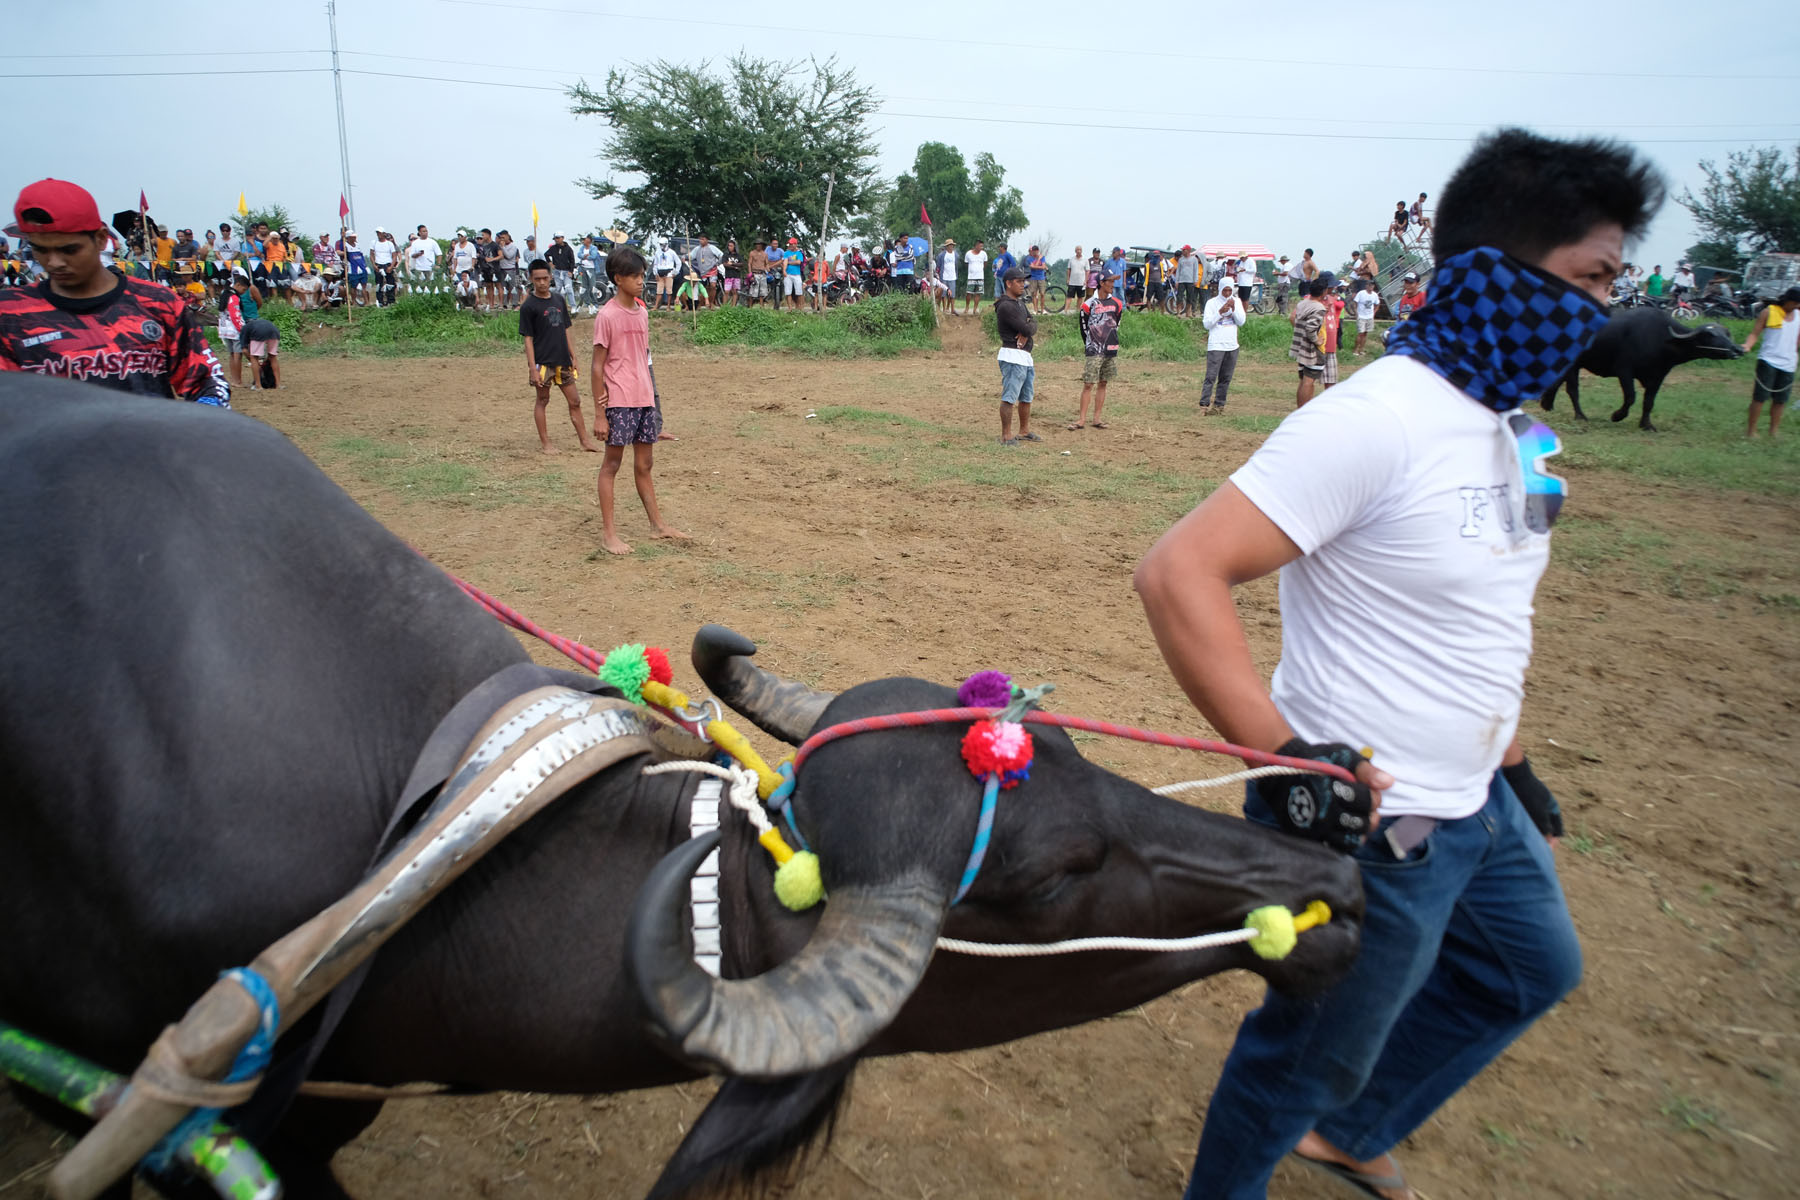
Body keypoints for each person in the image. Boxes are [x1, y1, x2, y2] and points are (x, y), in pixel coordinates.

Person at [1137, 126, 1661, 1200]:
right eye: (1592, 278)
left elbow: (1488, 606)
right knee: (1308, 1051)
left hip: (1480, 801)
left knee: (1529, 971)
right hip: (1375, 819)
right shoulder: (1372, 421)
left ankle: (1354, 1129)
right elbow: (1178, 573)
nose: (1605, 311)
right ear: (1493, 273)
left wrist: (1508, 752)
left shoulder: (1518, 427)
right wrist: (1291, 760)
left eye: (1618, 279)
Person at [0, 180, 230, 405]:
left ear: (101, 239)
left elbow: (206, 379)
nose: (54, 262)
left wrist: (207, 416)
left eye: (69, 249)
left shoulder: (157, 303)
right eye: (40, 249)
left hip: (149, 441)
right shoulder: (10, 314)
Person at [589, 244, 688, 555]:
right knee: (612, 465)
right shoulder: (607, 315)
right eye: (635, 277)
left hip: (643, 399)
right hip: (619, 400)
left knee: (645, 464)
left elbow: (645, 360)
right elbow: (597, 365)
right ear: (618, 278)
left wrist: (654, 409)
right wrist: (599, 413)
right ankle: (608, 534)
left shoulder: (643, 312)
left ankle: (657, 525)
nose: (640, 282)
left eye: (643, 276)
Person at [520, 258, 600, 454]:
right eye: (537, 279)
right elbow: (528, 339)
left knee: (575, 401)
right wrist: (532, 368)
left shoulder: (558, 300)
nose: (541, 282)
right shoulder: (528, 306)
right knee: (542, 400)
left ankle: (585, 441)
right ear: (531, 278)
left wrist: (574, 356)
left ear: (550, 277)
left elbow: (566, 329)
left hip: (563, 360)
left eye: (545, 278)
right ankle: (546, 444)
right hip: (543, 362)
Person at [1741, 285, 1800, 438]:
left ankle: (1773, 431)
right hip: (1768, 360)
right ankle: (1751, 431)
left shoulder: (1799, 316)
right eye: (1796, 303)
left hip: (1789, 363)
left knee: (1781, 400)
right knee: (1760, 398)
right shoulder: (1768, 312)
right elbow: (1755, 333)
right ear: (1788, 300)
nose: (1797, 306)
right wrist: (1747, 345)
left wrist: (1793, 353)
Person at [1071, 268, 1122, 430]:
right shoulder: (1088, 305)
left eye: (1114, 281)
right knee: (1088, 384)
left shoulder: (1117, 303)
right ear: (1101, 283)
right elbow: (1083, 328)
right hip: (1094, 350)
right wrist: (1091, 345)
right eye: (1110, 281)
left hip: (1110, 349)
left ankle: (1097, 418)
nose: (1113, 284)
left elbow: (1117, 324)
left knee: (1103, 382)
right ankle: (1081, 419)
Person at [993, 267, 1038, 445]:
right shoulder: (1005, 306)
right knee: (1010, 397)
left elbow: (1031, 323)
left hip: (1024, 357)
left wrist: (1027, 330)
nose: (1023, 284)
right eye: (1019, 281)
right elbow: (1028, 326)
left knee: (1026, 396)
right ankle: (1006, 435)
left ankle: (1024, 430)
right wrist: (1027, 329)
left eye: (1023, 281)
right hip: (1012, 356)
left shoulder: (1018, 303)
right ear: (1008, 283)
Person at [1199, 280, 1247, 413]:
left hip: (1232, 345)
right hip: (1216, 345)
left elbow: (1241, 322)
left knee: (1226, 377)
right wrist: (1220, 312)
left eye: (1229, 290)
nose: (1227, 293)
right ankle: (1204, 404)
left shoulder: (1236, 301)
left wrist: (1234, 309)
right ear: (1220, 289)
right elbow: (1207, 324)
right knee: (1211, 376)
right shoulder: (1212, 303)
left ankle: (1219, 405)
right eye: (1224, 290)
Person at [1290, 277, 1328, 407]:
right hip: (1312, 350)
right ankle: (1303, 410)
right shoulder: (1319, 308)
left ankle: (1301, 408)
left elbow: (1294, 319)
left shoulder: (1302, 303)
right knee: (1308, 381)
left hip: (1301, 347)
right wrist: (1317, 341)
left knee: (1303, 380)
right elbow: (1311, 328)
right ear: (1323, 292)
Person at [217, 271, 254, 385]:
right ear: (238, 285)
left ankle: (234, 379)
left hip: (224, 329)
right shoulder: (233, 297)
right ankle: (237, 380)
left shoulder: (224, 293)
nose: (243, 293)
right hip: (234, 329)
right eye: (243, 290)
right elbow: (235, 315)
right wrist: (242, 330)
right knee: (237, 355)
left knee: (232, 354)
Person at [242, 313, 281, 390]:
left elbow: (244, 350)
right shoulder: (253, 324)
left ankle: (258, 385)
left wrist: (252, 360)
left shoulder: (243, 331)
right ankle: (278, 385)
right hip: (274, 331)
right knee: (273, 357)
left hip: (258, 332)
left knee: (254, 357)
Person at [1321, 282, 1345, 388]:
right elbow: (1340, 304)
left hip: (1331, 341)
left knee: (1331, 379)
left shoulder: (1331, 300)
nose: (1334, 289)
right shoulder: (1317, 300)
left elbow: (1341, 305)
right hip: (1321, 343)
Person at [547, 232, 578, 308]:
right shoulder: (553, 248)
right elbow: (546, 254)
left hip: (566, 272)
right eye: (555, 238)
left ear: (562, 238)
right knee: (558, 289)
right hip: (557, 272)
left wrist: (571, 271)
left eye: (558, 238)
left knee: (568, 289)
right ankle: (560, 306)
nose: (556, 240)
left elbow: (572, 261)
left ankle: (573, 306)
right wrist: (550, 263)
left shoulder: (568, 249)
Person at [370, 227, 400, 305]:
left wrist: (391, 266)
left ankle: (391, 300)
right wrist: (374, 265)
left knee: (390, 283)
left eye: (380, 233)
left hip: (387, 264)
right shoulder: (374, 242)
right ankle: (380, 301)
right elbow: (371, 254)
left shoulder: (389, 244)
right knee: (379, 284)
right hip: (378, 264)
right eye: (377, 233)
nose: (378, 235)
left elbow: (394, 256)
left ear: (383, 233)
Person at [577, 235, 606, 312]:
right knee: (584, 286)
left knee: (592, 287)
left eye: (585, 239)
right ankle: (587, 303)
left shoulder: (593, 248)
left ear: (589, 240)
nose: (583, 241)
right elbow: (578, 255)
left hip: (591, 269)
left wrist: (584, 257)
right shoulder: (582, 248)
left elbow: (593, 256)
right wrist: (584, 256)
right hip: (583, 268)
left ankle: (595, 303)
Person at [1352, 277, 1381, 354]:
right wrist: (1356, 312)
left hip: (1369, 316)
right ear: (1366, 285)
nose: (1371, 286)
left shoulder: (1375, 295)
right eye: (1370, 285)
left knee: (1365, 333)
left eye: (1372, 285)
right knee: (1360, 333)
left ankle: (1361, 349)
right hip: (1361, 316)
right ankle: (1355, 350)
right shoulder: (1361, 293)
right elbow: (1355, 302)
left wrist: (1374, 312)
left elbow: (1377, 304)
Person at [405, 226, 438, 293]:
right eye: (423, 231)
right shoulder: (415, 243)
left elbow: (439, 254)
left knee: (430, 285)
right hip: (419, 268)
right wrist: (418, 254)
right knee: (420, 287)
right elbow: (411, 256)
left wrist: (438, 264)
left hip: (429, 268)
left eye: (426, 231)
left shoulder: (432, 242)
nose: (425, 233)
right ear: (419, 232)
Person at [963, 238, 989, 316]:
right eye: (980, 246)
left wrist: (980, 270)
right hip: (971, 276)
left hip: (980, 276)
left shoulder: (984, 254)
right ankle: (967, 307)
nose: (981, 248)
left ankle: (975, 308)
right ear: (976, 245)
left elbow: (985, 264)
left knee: (978, 293)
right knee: (969, 293)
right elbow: (966, 264)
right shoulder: (968, 254)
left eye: (982, 247)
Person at [497, 231, 523, 308]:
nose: (502, 239)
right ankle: (504, 303)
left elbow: (509, 256)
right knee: (504, 287)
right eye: (500, 238)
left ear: (508, 237)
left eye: (503, 238)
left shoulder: (513, 247)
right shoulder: (499, 246)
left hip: (511, 269)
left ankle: (515, 303)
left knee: (513, 287)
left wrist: (503, 247)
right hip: (502, 269)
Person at [343, 231, 368, 307]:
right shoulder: (345, 246)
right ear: (348, 238)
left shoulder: (358, 245)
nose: (354, 238)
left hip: (362, 269)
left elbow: (362, 256)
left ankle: (366, 302)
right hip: (353, 270)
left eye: (355, 237)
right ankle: (353, 302)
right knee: (353, 287)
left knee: (364, 286)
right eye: (352, 237)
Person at [1174, 244, 1201, 317]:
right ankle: (1178, 312)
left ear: (1188, 250)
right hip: (1181, 281)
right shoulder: (1181, 259)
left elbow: (1195, 270)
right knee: (1179, 297)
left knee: (1190, 297)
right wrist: (1177, 281)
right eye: (1182, 250)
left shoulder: (1194, 259)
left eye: (1184, 250)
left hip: (1190, 281)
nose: (1182, 251)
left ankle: (1188, 312)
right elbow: (1178, 270)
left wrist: (1195, 280)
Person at [651, 239, 678, 309]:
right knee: (659, 291)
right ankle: (656, 306)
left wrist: (675, 272)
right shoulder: (657, 252)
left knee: (669, 291)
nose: (661, 246)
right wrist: (655, 273)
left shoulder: (672, 252)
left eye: (662, 244)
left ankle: (668, 306)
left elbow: (678, 262)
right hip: (660, 273)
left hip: (669, 273)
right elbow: (655, 264)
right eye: (660, 244)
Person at [934, 238, 958, 315]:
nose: (951, 246)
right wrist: (938, 275)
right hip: (944, 276)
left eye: (952, 245)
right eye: (949, 245)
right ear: (946, 246)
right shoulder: (941, 255)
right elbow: (938, 266)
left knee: (952, 294)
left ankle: (952, 309)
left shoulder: (956, 255)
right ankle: (944, 309)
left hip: (953, 276)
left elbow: (957, 265)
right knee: (943, 294)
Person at [782, 236, 806, 310]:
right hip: (788, 274)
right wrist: (784, 270)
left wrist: (789, 262)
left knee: (799, 292)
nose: (791, 245)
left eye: (792, 244)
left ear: (795, 244)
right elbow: (785, 262)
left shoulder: (799, 253)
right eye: (790, 244)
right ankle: (790, 308)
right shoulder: (786, 253)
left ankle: (800, 307)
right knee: (788, 292)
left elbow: (798, 262)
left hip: (796, 274)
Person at [1024, 245, 1049, 313]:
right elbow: (1032, 267)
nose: (1035, 252)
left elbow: (1043, 267)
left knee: (1042, 294)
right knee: (1034, 294)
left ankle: (1043, 310)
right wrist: (1038, 260)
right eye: (1033, 251)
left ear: (1038, 251)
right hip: (1033, 278)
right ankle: (1035, 310)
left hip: (1041, 277)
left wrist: (1036, 266)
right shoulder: (1030, 258)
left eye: (1036, 251)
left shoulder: (1042, 257)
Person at [746, 240, 770, 306]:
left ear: (762, 245)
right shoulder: (752, 253)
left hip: (762, 274)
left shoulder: (765, 254)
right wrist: (750, 274)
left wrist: (768, 269)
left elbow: (766, 263)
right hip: (755, 273)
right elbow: (749, 263)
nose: (758, 246)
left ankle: (761, 307)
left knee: (762, 293)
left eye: (760, 244)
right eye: (757, 244)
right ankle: (750, 307)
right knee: (752, 292)